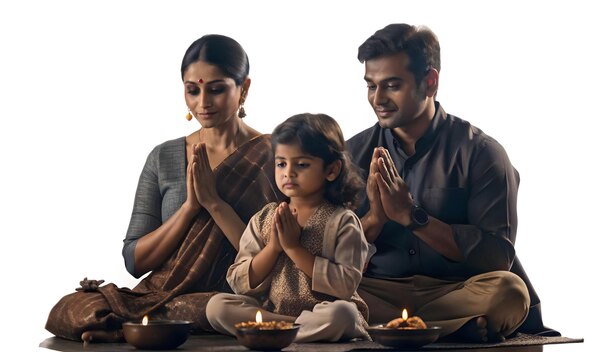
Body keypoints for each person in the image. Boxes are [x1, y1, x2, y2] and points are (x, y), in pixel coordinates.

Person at [45, 34, 283, 342]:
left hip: (235, 296)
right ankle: (140, 321)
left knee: (216, 306)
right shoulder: (164, 157)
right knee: (72, 306)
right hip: (164, 294)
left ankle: (130, 326)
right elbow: (135, 261)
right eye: (192, 90)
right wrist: (189, 209)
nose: (203, 103)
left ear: (244, 89)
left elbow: (279, 256)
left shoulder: (277, 156)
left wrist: (215, 204)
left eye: (216, 89)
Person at [346, 23, 558, 342]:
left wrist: (413, 217)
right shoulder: (352, 155)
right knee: (309, 283)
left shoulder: (481, 153)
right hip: (376, 292)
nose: (379, 99)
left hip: (456, 291)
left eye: (392, 85)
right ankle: (450, 328)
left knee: (510, 292)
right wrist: (375, 219)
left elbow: (498, 257)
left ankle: (398, 327)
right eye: (370, 86)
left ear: (430, 82)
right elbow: (329, 256)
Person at [206, 113, 371, 342]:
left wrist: (293, 249)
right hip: (274, 310)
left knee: (343, 314)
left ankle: (276, 330)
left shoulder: (343, 221)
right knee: (217, 307)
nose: (288, 173)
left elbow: (345, 286)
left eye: (301, 164)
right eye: (281, 163)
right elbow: (239, 282)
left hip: (323, 313)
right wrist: (273, 248)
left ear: (331, 170)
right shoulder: (265, 217)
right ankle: (290, 327)